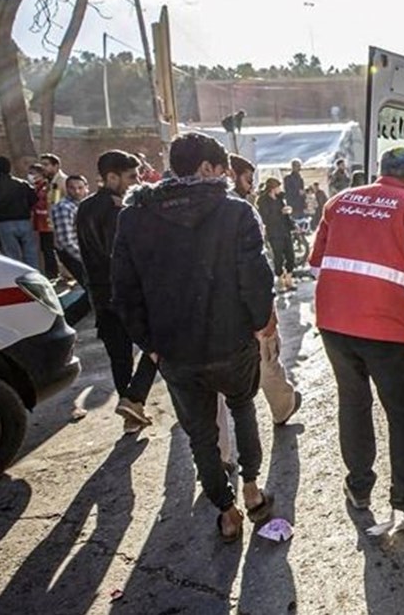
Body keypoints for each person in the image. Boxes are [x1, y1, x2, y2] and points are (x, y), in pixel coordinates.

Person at [112, 132, 277, 543]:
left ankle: (226, 511)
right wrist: (262, 324)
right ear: (206, 168)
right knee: (243, 411)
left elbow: (123, 290)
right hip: (231, 342)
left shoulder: (134, 215)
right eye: (222, 169)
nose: (225, 177)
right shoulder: (235, 213)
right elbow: (256, 278)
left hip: (174, 350)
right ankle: (252, 489)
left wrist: (149, 343)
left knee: (201, 434)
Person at [308, 147, 404, 524]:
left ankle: (359, 487)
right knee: (401, 412)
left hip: (334, 325)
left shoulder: (338, 202)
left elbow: (317, 263)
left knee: (353, 404)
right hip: (385, 328)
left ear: (379, 170)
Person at [77, 151, 159, 433]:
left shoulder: (85, 207)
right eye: (131, 177)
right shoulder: (117, 210)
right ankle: (134, 399)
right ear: (111, 177)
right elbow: (122, 255)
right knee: (157, 344)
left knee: (119, 356)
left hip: (100, 294)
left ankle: (130, 415)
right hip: (125, 294)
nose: (136, 182)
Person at [226, 155, 302, 427]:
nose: (250, 186)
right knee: (266, 356)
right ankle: (283, 406)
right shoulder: (237, 209)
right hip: (243, 304)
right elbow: (253, 268)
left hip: (216, 310)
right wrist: (266, 312)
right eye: (247, 179)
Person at [0, 155, 38, 268]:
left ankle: (16, 279)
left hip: (3, 223)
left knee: (12, 256)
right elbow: (34, 199)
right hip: (24, 220)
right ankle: (34, 276)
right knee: (31, 253)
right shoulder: (22, 184)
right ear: (9, 167)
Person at [50, 174, 92, 325]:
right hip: (73, 255)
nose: (77, 191)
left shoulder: (83, 205)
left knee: (94, 292)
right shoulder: (64, 207)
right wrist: (88, 260)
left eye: (80, 188)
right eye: (72, 188)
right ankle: (64, 323)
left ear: (86, 188)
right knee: (93, 292)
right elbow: (67, 242)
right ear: (67, 189)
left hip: (83, 252)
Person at [257, 177, 297, 292]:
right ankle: (280, 280)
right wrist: (280, 212)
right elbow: (265, 217)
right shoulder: (263, 200)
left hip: (285, 230)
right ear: (273, 188)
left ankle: (289, 279)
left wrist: (292, 223)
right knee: (278, 256)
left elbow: (285, 215)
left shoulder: (280, 198)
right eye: (278, 187)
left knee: (290, 255)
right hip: (274, 231)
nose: (280, 189)